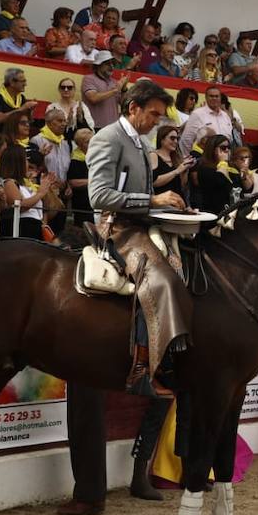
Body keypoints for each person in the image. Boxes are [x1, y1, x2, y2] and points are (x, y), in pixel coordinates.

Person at [87, 79, 189, 395]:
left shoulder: (140, 142)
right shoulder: (108, 138)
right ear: (134, 108)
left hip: (138, 222)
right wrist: (154, 201)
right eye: (154, 115)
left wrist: (172, 208)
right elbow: (99, 196)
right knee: (161, 279)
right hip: (115, 227)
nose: (157, 121)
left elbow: (140, 194)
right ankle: (141, 369)